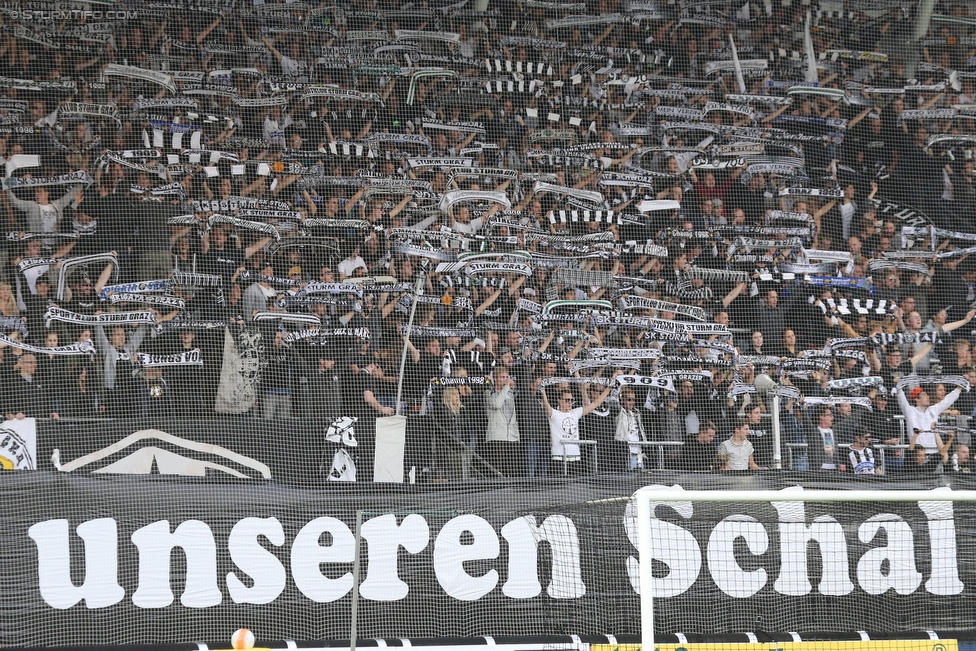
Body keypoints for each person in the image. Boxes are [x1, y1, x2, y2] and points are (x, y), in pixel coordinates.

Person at [540, 372, 620, 475]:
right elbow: (545, 404)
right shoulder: (554, 413)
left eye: (571, 400)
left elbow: (596, 403)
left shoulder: (575, 412)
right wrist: (542, 390)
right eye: (567, 400)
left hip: (575, 457)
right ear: (559, 400)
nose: (569, 403)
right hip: (558, 457)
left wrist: (610, 386)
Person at [896, 384, 963, 454]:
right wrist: (899, 386)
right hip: (918, 454)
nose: (928, 397)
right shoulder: (910, 411)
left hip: (934, 453)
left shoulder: (933, 410)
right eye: (924, 395)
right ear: (916, 398)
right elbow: (901, 399)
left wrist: (959, 388)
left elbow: (948, 400)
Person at [484, 368, 520, 477]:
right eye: (502, 377)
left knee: (512, 471)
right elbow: (496, 404)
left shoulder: (511, 393)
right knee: (496, 472)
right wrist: (506, 387)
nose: (505, 380)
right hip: (496, 437)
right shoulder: (489, 392)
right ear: (495, 379)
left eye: (506, 377)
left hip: (511, 437)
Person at [615, 388, 648, 470]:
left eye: (633, 400)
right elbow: (614, 401)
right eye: (629, 400)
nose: (632, 402)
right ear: (622, 400)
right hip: (626, 453)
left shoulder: (637, 413)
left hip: (639, 453)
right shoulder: (619, 412)